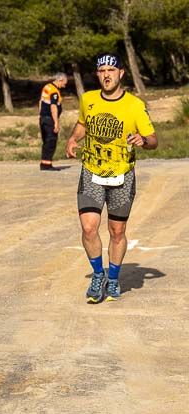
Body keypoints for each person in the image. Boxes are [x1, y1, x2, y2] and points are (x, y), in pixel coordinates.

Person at [65, 53, 157, 302]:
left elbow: (153, 140)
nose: (106, 75)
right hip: (92, 172)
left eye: (111, 70)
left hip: (122, 176)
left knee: (117, 231)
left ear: (121, 74)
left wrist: (143, 140)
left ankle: (113, 278)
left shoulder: (135, 106)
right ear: (97, 75)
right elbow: (83, 123)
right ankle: (98, 275)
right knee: (88, 227)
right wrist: (74, 138)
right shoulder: (89, 99)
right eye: (102, 70)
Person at [38, 71, 69, 170]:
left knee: (46, 141)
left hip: (43, 118)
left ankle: (44, 163)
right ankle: (47, 165)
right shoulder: (54, 91)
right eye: (64, 83)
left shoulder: (47, 87)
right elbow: (53, 107)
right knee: (51, 141)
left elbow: (40, 102)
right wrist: (56, 122)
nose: (64, 85)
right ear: (60, 80)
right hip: (50, 119)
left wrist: (40, 115)